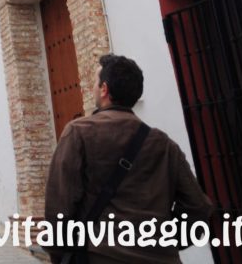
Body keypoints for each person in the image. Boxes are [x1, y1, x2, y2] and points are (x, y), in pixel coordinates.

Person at [44, 54, 213, 263]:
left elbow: (59, 210)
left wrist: (63, 256)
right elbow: (198, 207)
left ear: (104, 89)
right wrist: (163, 241)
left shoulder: (79, 133)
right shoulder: (164, 144)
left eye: (96, 83)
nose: (94, 88)